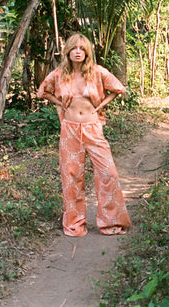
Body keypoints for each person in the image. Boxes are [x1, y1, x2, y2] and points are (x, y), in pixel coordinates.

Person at [38, 33, 131, 237]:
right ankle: (75, 223)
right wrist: (59, 103)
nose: (78, 52)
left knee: (108, 173)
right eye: (74, 48)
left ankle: (111, 222)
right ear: (68, 52)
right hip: (69, 129)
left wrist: (101, 106)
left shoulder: (97, 72)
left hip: (92, 128)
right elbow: (43, 90)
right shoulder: (60, 74)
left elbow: (118, 88)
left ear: (87, 51)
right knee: (71, 177)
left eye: (82, 48)